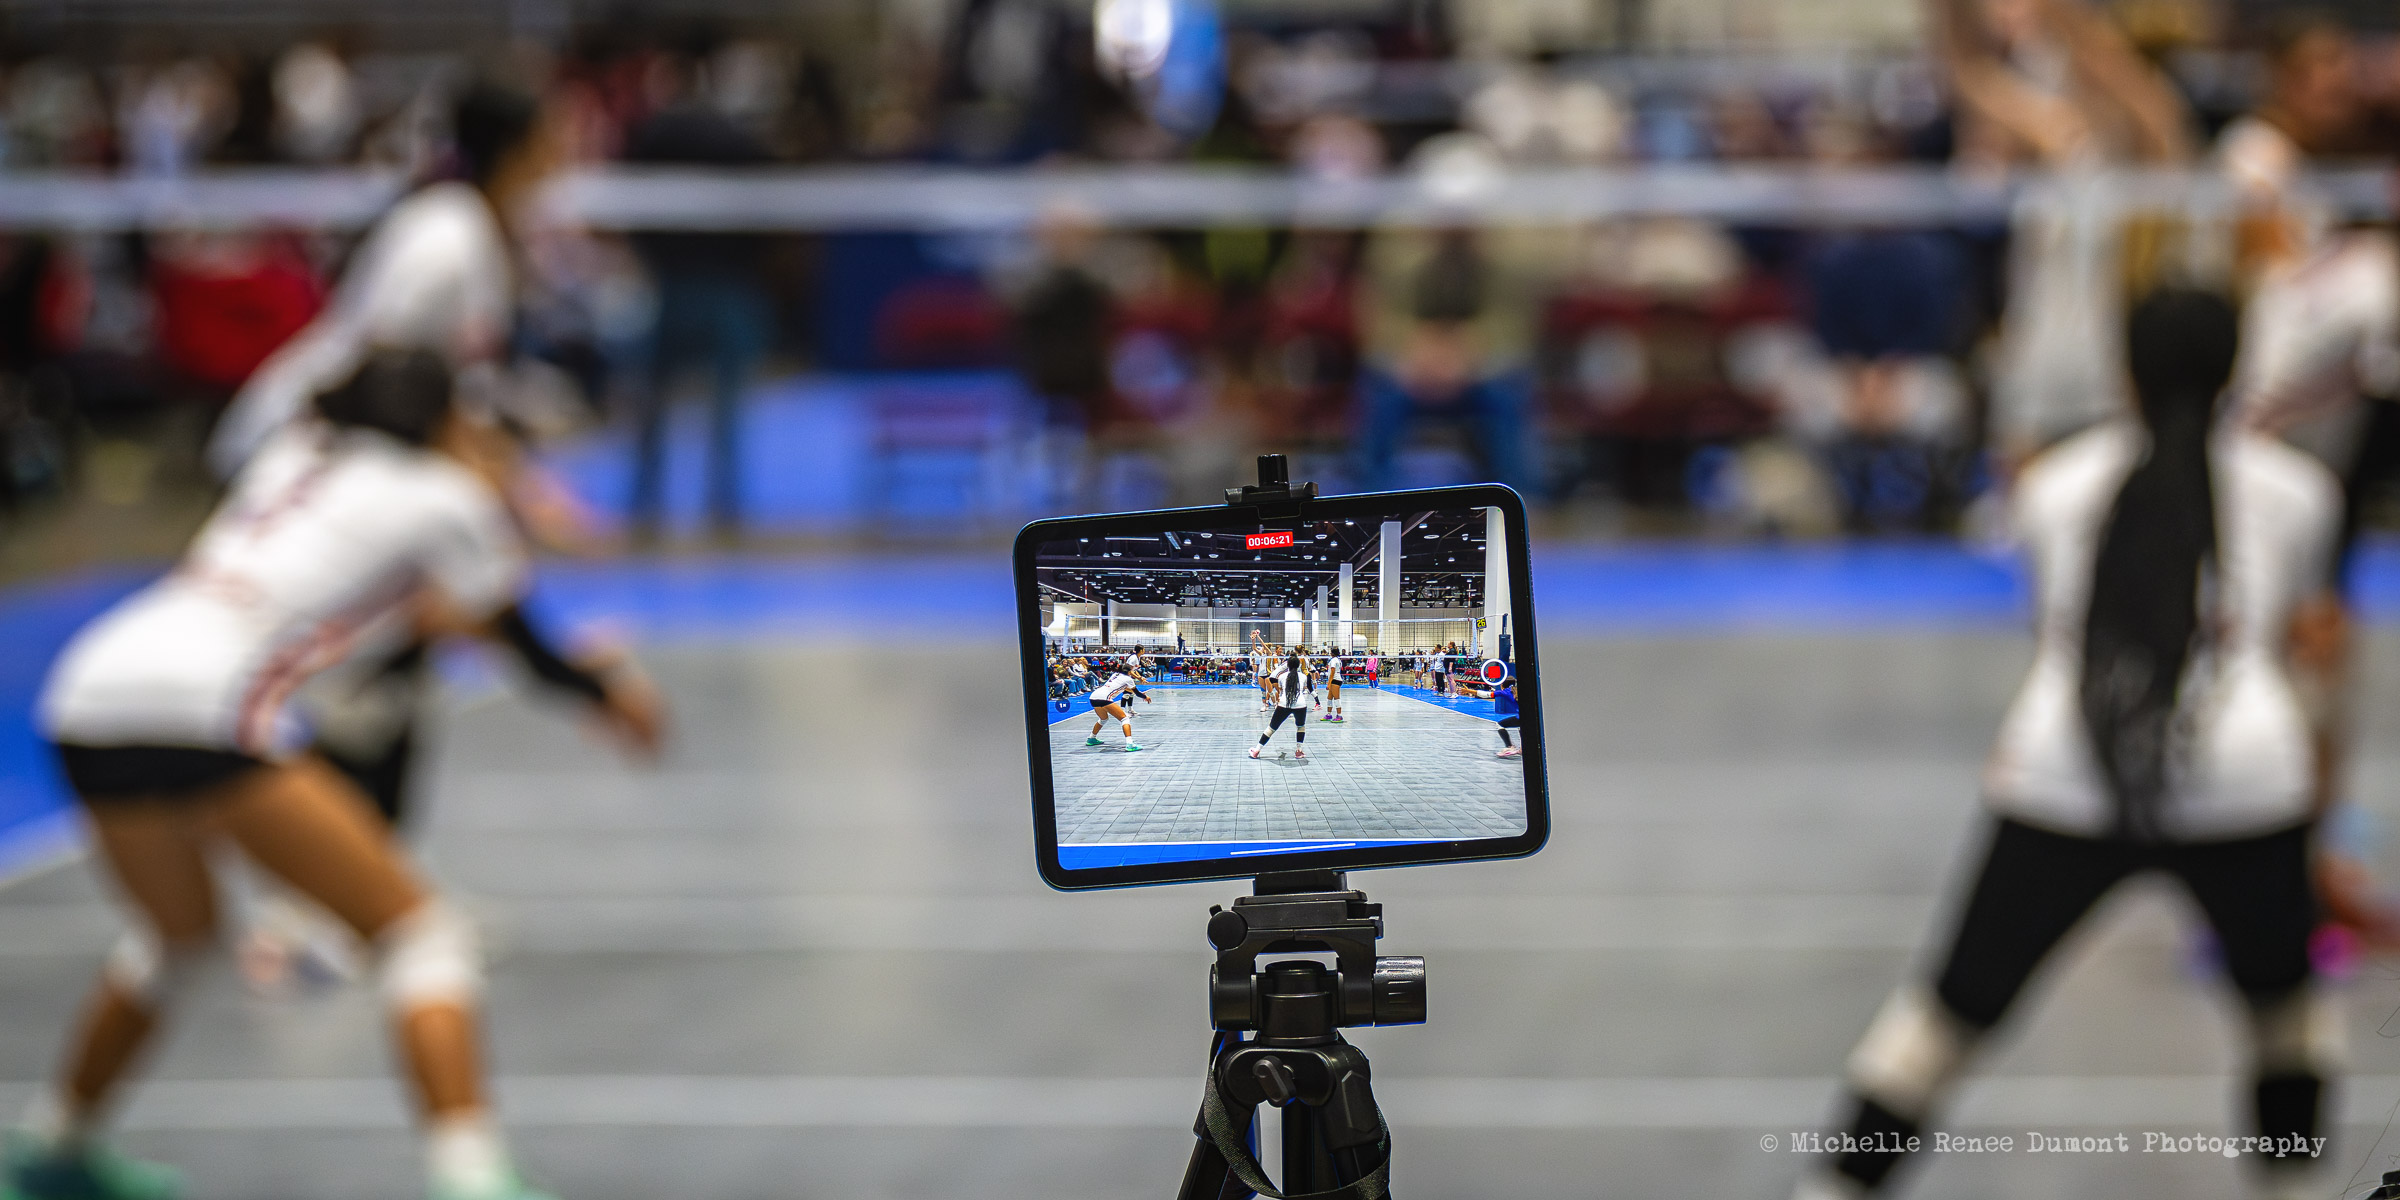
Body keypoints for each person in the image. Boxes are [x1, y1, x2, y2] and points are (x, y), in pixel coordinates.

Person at [20, 351, 660, 1200]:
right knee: (423, 937)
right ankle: (472, 1181)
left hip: (89, 686)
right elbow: (523, 640)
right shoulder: (445, 497)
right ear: (446, 419)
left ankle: (54, 1148)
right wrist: (610, 695)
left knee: (176, 939)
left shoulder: (295, 457)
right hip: (210, 705)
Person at [1789, 291, 2344, 1200]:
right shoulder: (2297, 492)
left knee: (1947, 1014)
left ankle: (1835, 1189)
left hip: (2064, 778)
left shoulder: (2054, 487)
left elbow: (2052, 630)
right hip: (2246, 786)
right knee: (2285, 1015)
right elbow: (2299, 642)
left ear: (2125, 371)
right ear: (2235, 370)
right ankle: (2295, 1189)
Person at [621, 45, 776, 542]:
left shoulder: (653, 135)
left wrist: (655, 258)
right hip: (716, 285)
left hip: (680, 283)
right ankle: (722, 509)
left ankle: (645, 506)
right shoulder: (734, 137)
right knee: (721, 405)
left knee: (658, 401)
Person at [1250, 651, 1315, 761]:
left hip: (1284, 704)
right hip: (1300, 704)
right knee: (1300, 727)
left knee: (1271, 728)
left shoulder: (1282, 676)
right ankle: (1299, 751)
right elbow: (1304, 687)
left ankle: (1257, 750)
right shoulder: (1303, 676)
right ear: (1298, 665)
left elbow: (1278, 686)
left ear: (1287, 665)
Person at [1084, 670, 1151, 752]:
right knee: (1125, 719)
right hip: (1104, 698)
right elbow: (1135, 692)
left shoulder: (1115, 675)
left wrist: (1141, 693)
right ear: (1129, 672)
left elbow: (1127, 689)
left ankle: (1091, 738)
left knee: (1103, 719)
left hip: (1093, 696)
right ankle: (1130, 744)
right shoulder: (1129, 679)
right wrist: (1145, 696)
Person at [1322, 650, 1346, 722]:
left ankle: (1339, 715)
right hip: (1335, 679)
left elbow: (1332, 672)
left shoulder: (1333, 660)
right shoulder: (1338, 660)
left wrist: (1329, 683)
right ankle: (1329, 714)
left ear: (1332, 653)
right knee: (1329, 698)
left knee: (1336, 698)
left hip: (1335, 680)